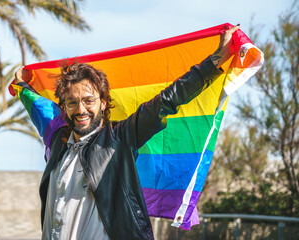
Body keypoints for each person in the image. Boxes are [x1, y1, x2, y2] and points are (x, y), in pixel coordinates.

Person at [14, 25, 240, 240]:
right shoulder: (58, 141)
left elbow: (168, 100)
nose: (80, 110)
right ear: (63, 107)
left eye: (88, 100)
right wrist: (22, 86)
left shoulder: (118, 139)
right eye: (72, 102)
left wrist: (216, 60)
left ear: (103, 103)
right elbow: (41, 109)